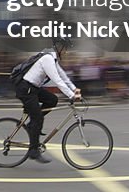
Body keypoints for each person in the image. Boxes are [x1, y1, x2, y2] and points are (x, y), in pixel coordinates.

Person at [15, 36, 81, 164]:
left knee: (52, 100)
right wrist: (71, 96)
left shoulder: (52, 59)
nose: (66, 52)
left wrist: (74, 89)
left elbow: (63, 76)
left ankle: (32, 125)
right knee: (38, 118)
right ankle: (33, 151)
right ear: (59, 47)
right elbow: (57, 80)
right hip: (26, 89)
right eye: (65, 49)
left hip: (32, 88)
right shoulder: (47, 59)